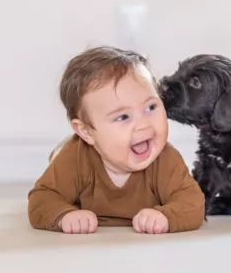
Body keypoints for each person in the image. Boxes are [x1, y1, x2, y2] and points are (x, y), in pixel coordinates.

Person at [28, 45, 205, 234]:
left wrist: (167, 216)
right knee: (61, 157)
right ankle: (60, 149)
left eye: (151, 107)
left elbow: (192, 202)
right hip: (77, 151)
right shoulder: (76, 157)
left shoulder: (165, 159)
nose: (143, 125)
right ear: (86, 132)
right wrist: (63, 216)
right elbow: (42, 199)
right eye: (123, 117)